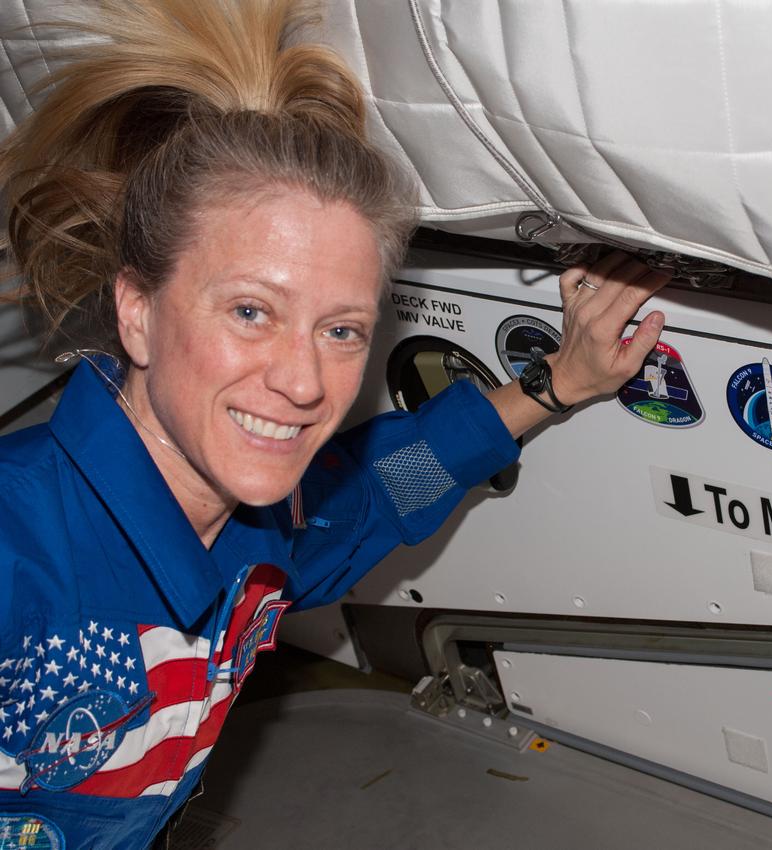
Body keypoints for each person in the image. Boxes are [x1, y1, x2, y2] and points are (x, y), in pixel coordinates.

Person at [0, 1, 669, 847]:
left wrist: (561, 382)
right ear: (137, 312)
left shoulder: (253, 530)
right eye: (251, 310)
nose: (304, 379)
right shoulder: (18, 544)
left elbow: (381, 494)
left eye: (341, 329)